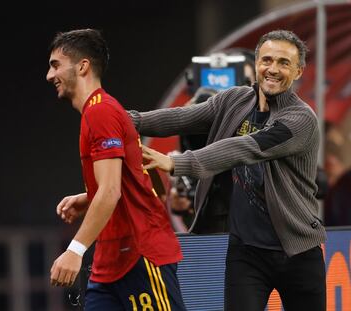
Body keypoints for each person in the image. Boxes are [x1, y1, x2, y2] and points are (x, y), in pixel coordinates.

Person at [129, 30, 326, 310]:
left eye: (284, 63)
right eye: (267, 60)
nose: (273, 69)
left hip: (298, 253)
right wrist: (126, 120)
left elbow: (246, 148)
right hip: (246, 252)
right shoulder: (234, 100)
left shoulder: (301, 118)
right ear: (256, 63)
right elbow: (182, 117)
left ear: (298, 71)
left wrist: (176, 163)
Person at [46, 28, 186, 311]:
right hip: (109, 263)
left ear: (83, 66)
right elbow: (144, 172)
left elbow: (111, 192)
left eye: (55, 65)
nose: (50, 76)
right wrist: (91, 196)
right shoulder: (105, 111)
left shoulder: (101, 112)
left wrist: (74, 251)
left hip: (140, 255)